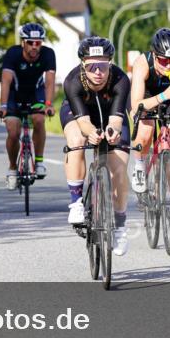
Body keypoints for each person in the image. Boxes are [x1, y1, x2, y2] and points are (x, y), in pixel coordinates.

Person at [60, 36, 132, 256]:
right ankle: (76, 202)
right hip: (79, 114)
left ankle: (120, 225)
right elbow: (83, 123)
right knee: (77, 141)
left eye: (103, 65)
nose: (98, 72)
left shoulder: (121, 79)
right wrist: (91, 132)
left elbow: (116, 119)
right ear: (83, 65)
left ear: (110, 63)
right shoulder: (72, 81)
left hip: (110, 115)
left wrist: (113, 131)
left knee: (119, 169)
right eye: (92, 66)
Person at [129, 27, 170, 226]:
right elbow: (136, 104)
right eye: (164, 61)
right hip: (146, 98)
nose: (169, 66)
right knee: (146, 131)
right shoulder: (142, 63)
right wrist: (163, 96)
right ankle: (139, 166)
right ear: (154, 55)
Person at [0, 23, 56, 189]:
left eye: (38, 43)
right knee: (13, 132)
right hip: (14, 95)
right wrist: (3, 106)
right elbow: (6, 81)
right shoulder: (13, 54)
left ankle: (39, 161)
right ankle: (12, 169)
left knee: (39, 119)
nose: (34, 46)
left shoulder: (48, 54)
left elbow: (50, 82)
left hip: (36, 93)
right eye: (30, 42)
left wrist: (49, 104)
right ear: (23, 42)